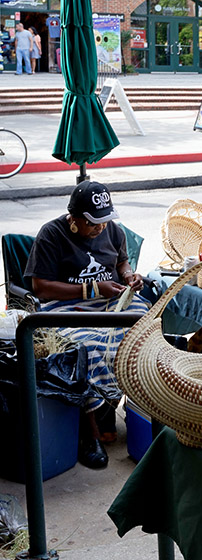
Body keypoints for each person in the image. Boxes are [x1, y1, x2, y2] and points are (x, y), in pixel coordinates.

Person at [24, 181, 150, 469]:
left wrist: (130, 276)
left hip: (108, 300)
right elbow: (40, 287)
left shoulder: (112, 230)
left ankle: (139, 410)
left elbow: (121, 263)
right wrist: (91, 289)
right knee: (89, 347)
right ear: (74, 218)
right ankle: (90, 430)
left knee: (143, 331)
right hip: (65, 306)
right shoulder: (51, 235)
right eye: (94, 222)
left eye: (105, 220)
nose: (101, 228)